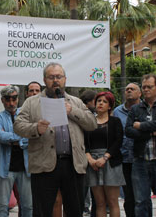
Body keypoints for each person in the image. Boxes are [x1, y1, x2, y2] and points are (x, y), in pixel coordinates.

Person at [14, 62, 97, 216]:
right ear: (45, 80)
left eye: (59, 77)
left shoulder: (75, 102)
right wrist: (35, 129)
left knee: (75, 210)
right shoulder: (32, 102)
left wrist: (72, 111)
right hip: (44, 164)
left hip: (73, 164)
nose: (56, 80)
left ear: (65, 79)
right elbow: (18, 126)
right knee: (42, 211)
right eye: (51, 77)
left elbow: (92, 124)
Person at [125, 74, 156, 217]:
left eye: (149, 87)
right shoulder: (135, 109)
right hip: (140, 160)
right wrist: (151, 133)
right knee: (141, 201)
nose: (146, 90)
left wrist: (141, 125)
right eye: (144, 87)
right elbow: (128, 131)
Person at [0, 85, 32, 217]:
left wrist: (13, 139)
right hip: (6, 167)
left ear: (18, 98)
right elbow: (0, 136)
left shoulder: (25, 114)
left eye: (14, 98)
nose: (11, 102)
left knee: (28, 206)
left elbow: (32, 135)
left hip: (25, 167)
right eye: (8, 99)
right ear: (2, 100)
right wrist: (22, 136)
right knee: (2, 206)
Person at [85, 91, 124, 217]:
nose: (101, 103)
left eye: (105, 101)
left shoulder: (115, 121)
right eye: (99, 101)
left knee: (112, 202)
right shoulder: (89, 121)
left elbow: (118, 141)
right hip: (93, 164)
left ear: (110, 106)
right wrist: (90, 159)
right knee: (99, 203)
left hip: (111, 162)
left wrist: (105, 157)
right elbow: (83, 143)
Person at [113, 83, 141, 217]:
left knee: (142, 196)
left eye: (132, 89)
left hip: (141, 158)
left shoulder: (145, 108)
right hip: (124, 160)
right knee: (128, 197)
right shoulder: (117, 111)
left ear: (139, 93)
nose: (129, 91)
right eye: (127, 89)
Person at [80, 89, 98, 217]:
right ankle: (84, 208)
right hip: (82, 157)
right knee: (83, 188)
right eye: (96, 101)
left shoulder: (96, 116)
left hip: (96, 158)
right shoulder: (81, 116)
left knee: (96, 191)